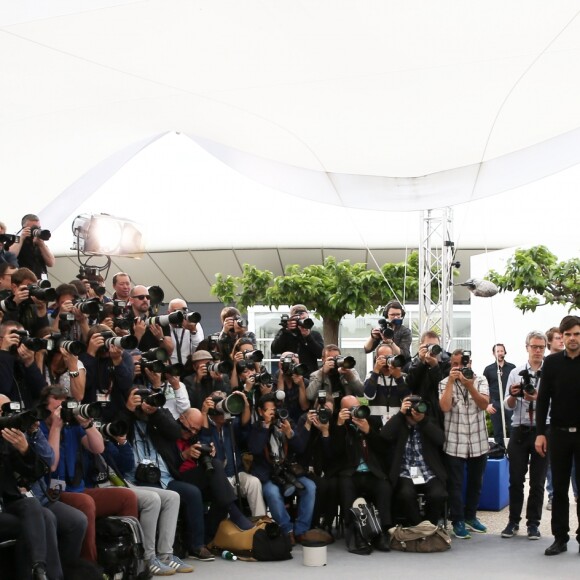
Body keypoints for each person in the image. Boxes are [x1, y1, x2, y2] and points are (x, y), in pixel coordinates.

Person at [247, 393, 319, 545]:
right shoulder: (257, 427)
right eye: (269, 410)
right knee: (272, 493)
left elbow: (300, 448)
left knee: (310, 487)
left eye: (275, 409)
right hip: (268, 474)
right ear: (261, 411)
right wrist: (266, 426)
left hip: (288, 471)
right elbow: (255, 449)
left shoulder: (286, 422)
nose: (273, 413)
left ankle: (301, 530)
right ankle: (287, 530)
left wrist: (290, 433)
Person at [535, 315, 580, 556]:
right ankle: (560, 538)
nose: (572, 338)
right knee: (559, 489)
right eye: (568, 334)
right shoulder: (551, 363)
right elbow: (542, 401)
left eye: (577, 333)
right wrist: (541, 433)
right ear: (561, 337)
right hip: (559, 434)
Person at [500, 331, 548, 541]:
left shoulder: (550, 372)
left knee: (538, 481)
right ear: (526, 347)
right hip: (519, 429)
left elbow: (555, 404)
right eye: (534, 346)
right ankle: (513, 521)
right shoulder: (516, 372)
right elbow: (507, 406)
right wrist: (513, 394)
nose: (538, 351)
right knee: (515, 479)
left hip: (542, 429)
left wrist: (537, 398)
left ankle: (533, 524)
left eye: (541, 347)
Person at [439, 349, 489, 539]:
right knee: (455, 485)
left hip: (478, 441)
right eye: (455, 364)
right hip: (454, 442)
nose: (459, 367)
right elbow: (444, 407)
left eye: (463, 363)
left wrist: (470, 386)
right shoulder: (444, 383)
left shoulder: (481, 380)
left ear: (470, 362)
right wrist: (451, 382)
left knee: (476, 483)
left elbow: (484, 404)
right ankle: (457, 520)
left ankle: (471, 517)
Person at [332, 395, 392, 553]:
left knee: (384, 486)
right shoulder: (338, 424)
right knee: (345, 486)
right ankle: (355, 532)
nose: (355, 412)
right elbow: (335, 452)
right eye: (350, 409)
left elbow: (383, 449)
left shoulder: (372, 421)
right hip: (350, 473)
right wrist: (339, 425)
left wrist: (368, 431)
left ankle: (382, 533)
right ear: (342, 410)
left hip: (371, 472)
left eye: (357, 407)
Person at [381, 396, 447, 526]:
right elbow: (384, 435)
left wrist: (422, 421)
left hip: (428, 471)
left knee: (438, 494)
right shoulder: (399, 423)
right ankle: (418, 526)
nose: (414, 411)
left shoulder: (429, 422)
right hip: (405, 472)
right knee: (405, 494)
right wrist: (400, 414)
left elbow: (440, 440)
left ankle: (430, 526)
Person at [199, 390, 267, 517]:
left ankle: (260, 521)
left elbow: (244, 424)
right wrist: (204, 413)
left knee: (254, 483)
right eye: (220, 405)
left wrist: (245, 403)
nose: (224, 410)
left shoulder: (229, 424)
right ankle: (230, 530)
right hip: (218, 478)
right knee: (225, 495)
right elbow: (205, 441)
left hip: (236, 473)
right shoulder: (205, 424)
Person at [363, 342, 409, 426]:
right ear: (376, 358)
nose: (386, 360)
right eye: (382, 357)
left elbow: (406, 399)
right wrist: (376, 371)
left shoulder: (402, 377)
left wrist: (398, 378)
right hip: (376, 422)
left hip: (397, 420)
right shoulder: (371, 375)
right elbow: (368, 396)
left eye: (389, 357)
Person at [306, 343, 364, 410]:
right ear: (323, 359)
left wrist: (350, 376)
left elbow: (361, 393)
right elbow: (310, 396)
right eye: (331, 359)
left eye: (337, 358)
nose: (335, 361)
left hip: (347, 411)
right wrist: (322, 373)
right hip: (327, 412)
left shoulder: (349, 371)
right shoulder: (316, 375)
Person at [271, 304, 323, 375]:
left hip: (310, 374)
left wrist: (308, 336)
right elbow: (274, 349)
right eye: (299, 319)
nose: (302, 322)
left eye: (304, 318)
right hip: (290, 374)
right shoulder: (285, 332)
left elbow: (320, 354)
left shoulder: (314, 334)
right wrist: (285, 331)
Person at [483, 343, 515, 447]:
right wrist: (487, 404)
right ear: (493, 353)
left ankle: (513, 453)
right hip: (495, 403)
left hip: (508, 402)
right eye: (497, 351)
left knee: (513, 429)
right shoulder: (489, 369)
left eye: (501, 351)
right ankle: (500, 452)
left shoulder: (512, 367)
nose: (500, 353)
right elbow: (484, 388)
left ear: (505, 352)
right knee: (498, 431)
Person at [9, 214, 55, 279]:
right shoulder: (16, 240)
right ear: (24, 228)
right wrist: (21, 238)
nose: (36, 230)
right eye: (33, 228)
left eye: (38, 228)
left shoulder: (39, 242)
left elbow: (51, 263)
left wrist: (41, 245)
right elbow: (9, 257)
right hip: (23, 281)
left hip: (40, 282)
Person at [167, 298, 204, 366]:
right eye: (176, 311)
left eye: (184, 310)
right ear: (169, 313)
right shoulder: (165, 325)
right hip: (170, 369)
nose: (181, 314)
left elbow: (199, 350)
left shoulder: (194, 324)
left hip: (189, 368)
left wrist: (193, 331)